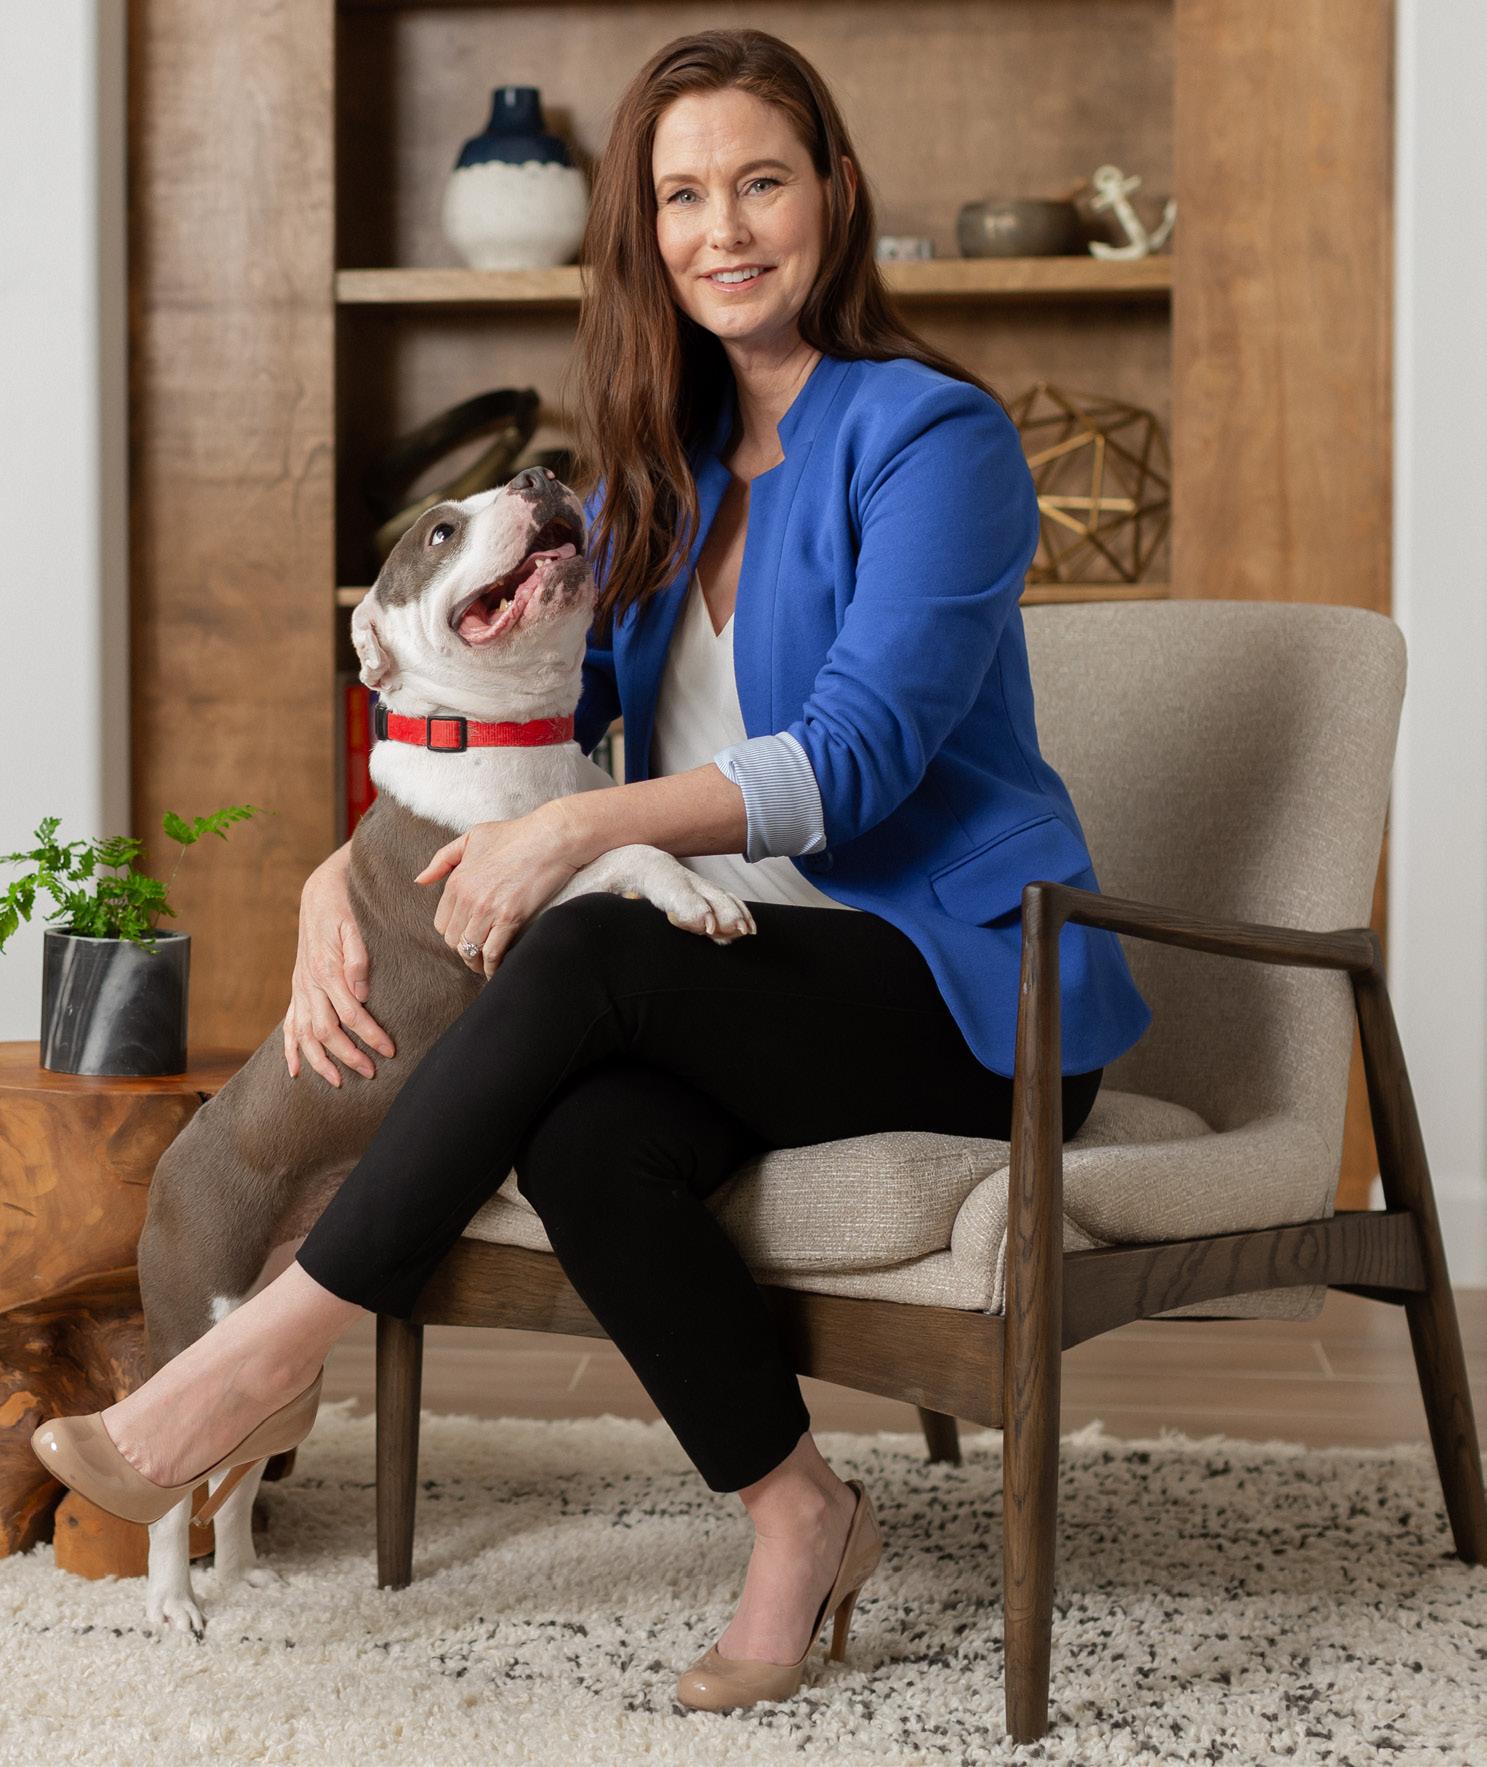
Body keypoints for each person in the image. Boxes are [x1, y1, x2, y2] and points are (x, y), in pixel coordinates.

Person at [33, 28, 1151, 1712]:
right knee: (576, 1131)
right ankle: (802, 1514)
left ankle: (249, 1362)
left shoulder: (937, 439)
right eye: (683, 195)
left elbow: (856, 758)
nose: (724, 229)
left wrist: (581, 831)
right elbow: (509, 709)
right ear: (645, 231)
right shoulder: (662, 483)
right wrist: (339, 875)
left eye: (761, 182)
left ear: (837, 197)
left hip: (968, 989)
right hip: (743, 986)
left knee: (587, 944)